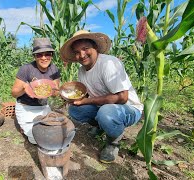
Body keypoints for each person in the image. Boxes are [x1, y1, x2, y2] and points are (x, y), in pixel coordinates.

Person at [60, 30, 143, 163]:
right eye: (76, 52)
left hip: (129, 109)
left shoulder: (108, 64)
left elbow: (123, 97)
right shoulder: (82, 71)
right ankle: (102, 127)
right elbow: (87, 93)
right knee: (75, 110)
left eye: (85, 48)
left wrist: (86, 101)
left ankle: (113, 142)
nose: (81, 55)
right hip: (104, 107)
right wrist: (71, 99)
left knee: (106, 113)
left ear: (96, 47)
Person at [11, 38, 61, 144]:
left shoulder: (54, 70)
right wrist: (25, 87)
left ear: (51, 55)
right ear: (34, 56)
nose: (44, 58)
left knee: (50, 130)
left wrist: (56, 91)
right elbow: (14, 93)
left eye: (47, 54)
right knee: (35, 139)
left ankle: (26, 124)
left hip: (43, 106)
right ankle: (23, 124)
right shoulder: (26, 69)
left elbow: (55, 94)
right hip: (26, 107)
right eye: (39, 55)